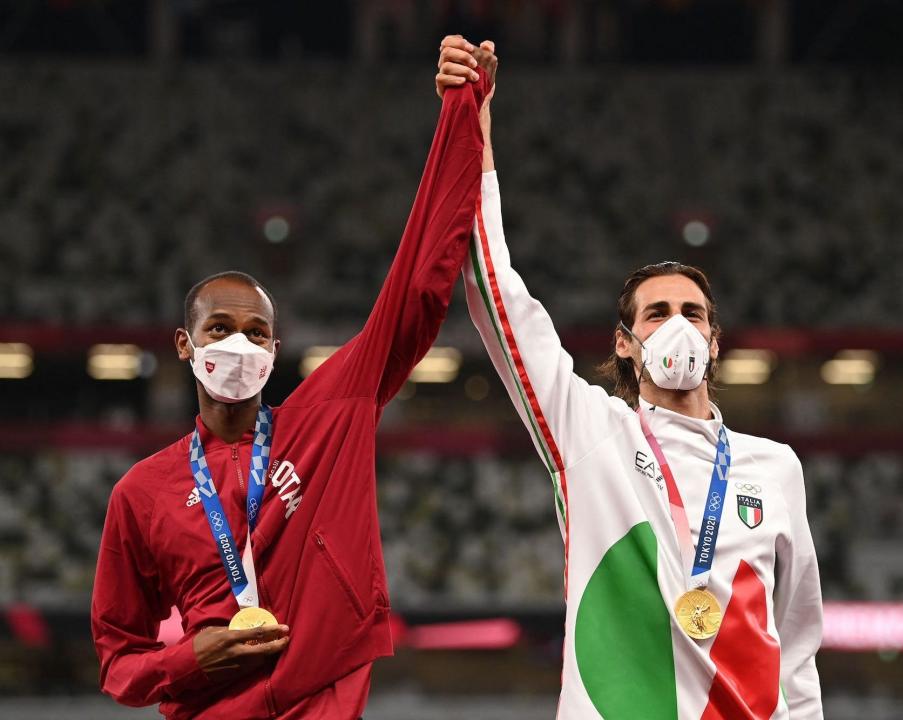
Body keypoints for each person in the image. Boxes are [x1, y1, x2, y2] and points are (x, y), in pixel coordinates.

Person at [91, 52, 495, 720]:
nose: (238, 344)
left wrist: (462, 114)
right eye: (218, 328)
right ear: (184, 345)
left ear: (275, 353)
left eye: (256, 333)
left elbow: (420, 284)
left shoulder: (329, 415)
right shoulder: (141, 494)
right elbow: (119, 663)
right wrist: (192, 658)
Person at [436, 38, 823, 719]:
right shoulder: (590, 432)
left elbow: (796, 654)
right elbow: (499, 299)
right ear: (626, 342)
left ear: (713, 339)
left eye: (692, 313)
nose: (677, 325)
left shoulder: (776, 466)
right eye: (657, 313)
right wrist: (476, 129)